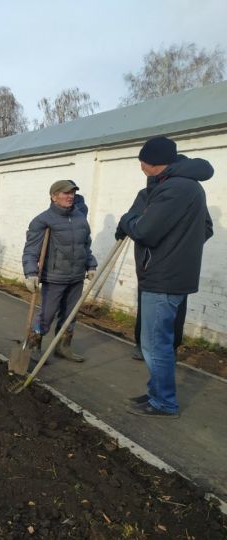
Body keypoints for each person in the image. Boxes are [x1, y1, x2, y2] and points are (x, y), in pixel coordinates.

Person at [117, 136, 213, 418]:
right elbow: (205, 228)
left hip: (163, 277)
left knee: (155, 344)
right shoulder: (187, 186)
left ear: (154, 162)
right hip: (170, 274)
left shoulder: (174, 188)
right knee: (158, 342)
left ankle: (164, 403)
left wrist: (127, 222)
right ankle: (156, 393)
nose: (141, 167)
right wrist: (180, 246)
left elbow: (145, 230)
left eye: (142, 161)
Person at [22, 180, 98, 362]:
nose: (70, 196)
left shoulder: (80, 218)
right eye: (65, 193)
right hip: (54, 276)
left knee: (70, 315)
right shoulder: (43, 220)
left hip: (76, 276)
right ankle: (34, 345)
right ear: (53, 196)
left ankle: (63, 347)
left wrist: (91, 265)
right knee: (46, 315)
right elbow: (32, 250)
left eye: (72, 193)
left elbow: (84, 246)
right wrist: (30, 272)